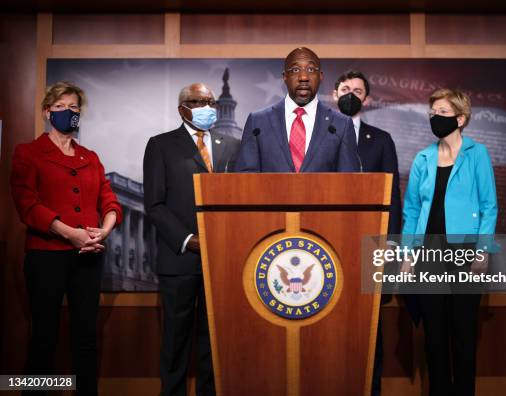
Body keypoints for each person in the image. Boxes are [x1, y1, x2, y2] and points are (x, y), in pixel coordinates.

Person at [10, 81, 122, 395]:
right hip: (46, 256)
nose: (68, 113)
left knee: (86, 337)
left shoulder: (90, 157)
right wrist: (70, 234)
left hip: (88, 256)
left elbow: (109, 201)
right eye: (61, 107)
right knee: (44, 336)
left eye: (74, 108)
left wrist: (105, 229)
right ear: (47, 112)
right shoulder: (28, 153)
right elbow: (27, 204)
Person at [143, 83, 240, 396]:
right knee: (175, 344)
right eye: (198, 101)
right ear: (182, 107)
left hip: (222, 261)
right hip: (180, 260)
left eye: (210, 101)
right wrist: (189, 240)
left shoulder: (232, 146)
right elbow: (154, 205)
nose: (206, 106)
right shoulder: (161, 145)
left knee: (213, 345)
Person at [401, 88, 497, 396]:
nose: (435, 118)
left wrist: (482, 252)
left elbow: (488, 206)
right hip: (429, 252)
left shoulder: (477, 153)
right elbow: (412, 210)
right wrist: (407, 254)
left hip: (466, 252)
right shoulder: (423, 157)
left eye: (442, 113)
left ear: (461, 118)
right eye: (432, 113)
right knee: (434, 334)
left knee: (464, 333)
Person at [332, 70, 401, 396]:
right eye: (345, 89)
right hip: (328, 244)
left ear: (368, 99)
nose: (351, 94)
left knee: (370, 329)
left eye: (358, 90)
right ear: (333, 94)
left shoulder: (381, 139)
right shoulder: (319, 135)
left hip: (371, 248)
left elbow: (393, 198)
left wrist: (392, 247)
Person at [235, 47, 361, 172]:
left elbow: (349, 182)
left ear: (320, 76)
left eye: (311, 69)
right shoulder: (258, 122)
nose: (303, 77)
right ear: (285, 76)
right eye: (295, 70)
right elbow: (245, 178)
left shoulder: (341, 125)